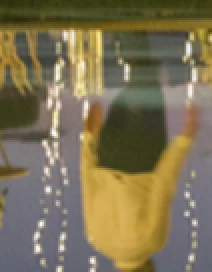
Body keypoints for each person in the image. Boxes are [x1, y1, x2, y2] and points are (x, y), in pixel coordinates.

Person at [82, 34, 200, 270]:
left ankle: (129, 17)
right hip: (109, 153)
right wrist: (89, 138)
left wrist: (185, 138)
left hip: (142, 154)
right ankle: (120, 29)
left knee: (144, 79)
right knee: (136, 80)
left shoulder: (152, 242)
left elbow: (162, 185)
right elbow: (88, 184)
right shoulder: (96, 239)